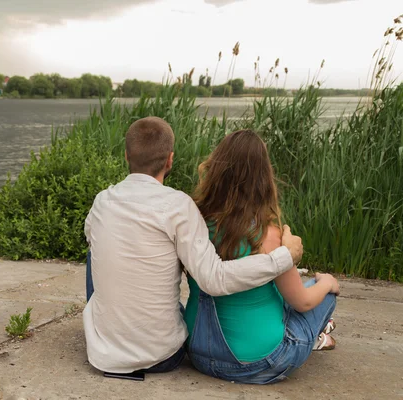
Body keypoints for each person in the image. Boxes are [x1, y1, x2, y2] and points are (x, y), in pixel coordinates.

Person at [83, 117, 303, 374]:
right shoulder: (178, 206)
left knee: (96, 249)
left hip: (102, 354)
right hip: (160, 356)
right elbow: (214, 279)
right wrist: (283, 257)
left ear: (126, 156)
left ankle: (113, 330)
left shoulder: (102, 202)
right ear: (169, 160)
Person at [185, 129, 339, 384]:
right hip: (257, 362)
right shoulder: (268, 235)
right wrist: (328, 282)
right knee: (323, 294)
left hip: (198, 353)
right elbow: (302, 303)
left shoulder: (195, 223)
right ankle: (316, 335)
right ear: (263, 178)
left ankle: (319, 332)